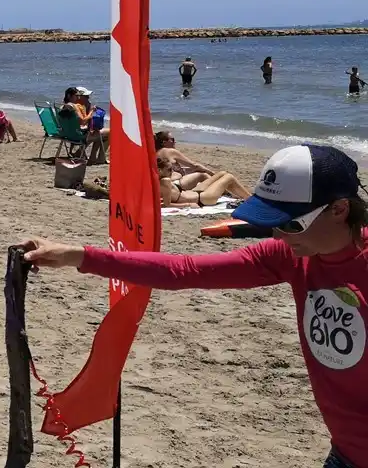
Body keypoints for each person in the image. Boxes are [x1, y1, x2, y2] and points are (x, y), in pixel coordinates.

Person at [19, 144, 368, 468]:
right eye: (271, 224)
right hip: (344, 452)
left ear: (339, 210)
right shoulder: (290, 255)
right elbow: (182, 271)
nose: (279, 236)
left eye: (291, 224)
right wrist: (76, 256)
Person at [158, 156, 251, 207]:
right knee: (229, 177)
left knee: (222, 173)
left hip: (194, 192)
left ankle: (241, 196)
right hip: (202, 199)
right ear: (160, 170)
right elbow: (168, 204)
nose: (172, 172)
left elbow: (164, 200)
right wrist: (188, 204)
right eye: (169, 169)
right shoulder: (165, 181)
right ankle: (251, 200)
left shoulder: (159, 180)